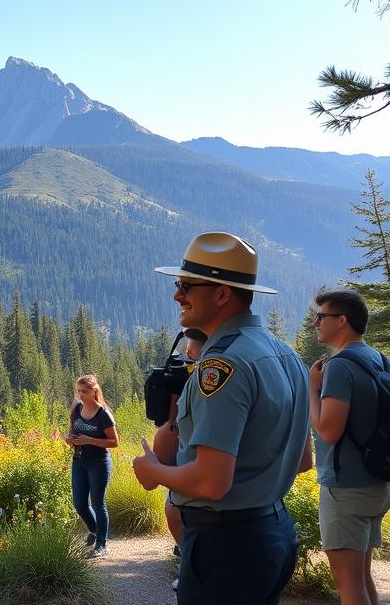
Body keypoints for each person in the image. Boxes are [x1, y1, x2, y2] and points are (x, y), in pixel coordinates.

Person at [133, 231, 312, 605]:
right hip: (272, 533)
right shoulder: (286, 355)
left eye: (186, 286)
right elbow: (303, 461)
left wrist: (153, 472)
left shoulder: (222, 366)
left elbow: (212, 482)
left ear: (221, 293)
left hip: (227, 547)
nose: (176, 294)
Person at [308, 289, 390, 605]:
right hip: (375, 483)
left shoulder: (340, 366)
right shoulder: (377, 358)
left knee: (347, 583)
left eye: (321, 316)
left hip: (345, 488)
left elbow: (328, 431)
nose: (315, 321)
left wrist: (312, 390)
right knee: (361, 578)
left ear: (342, 320)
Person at [150, 328, 207, 592]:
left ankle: (189, 564)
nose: (187, 355)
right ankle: (187, 560)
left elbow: (170, 426)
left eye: (191, 350)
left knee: (174, 509)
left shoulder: (207, 379)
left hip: (199, 483)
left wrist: (154, 471)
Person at [66, 374, 118, 558]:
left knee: (98, 503)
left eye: (84, 392)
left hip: (99, 462)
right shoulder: (76, 407)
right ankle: (95, 530)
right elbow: (72, 429)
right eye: (78, 391)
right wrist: (69, 439)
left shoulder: (103, 414)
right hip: (79, 461)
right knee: (79, 503)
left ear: (94, 391)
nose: (80, 395)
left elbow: (114, 442)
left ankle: (101, 544)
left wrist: (89, 440)